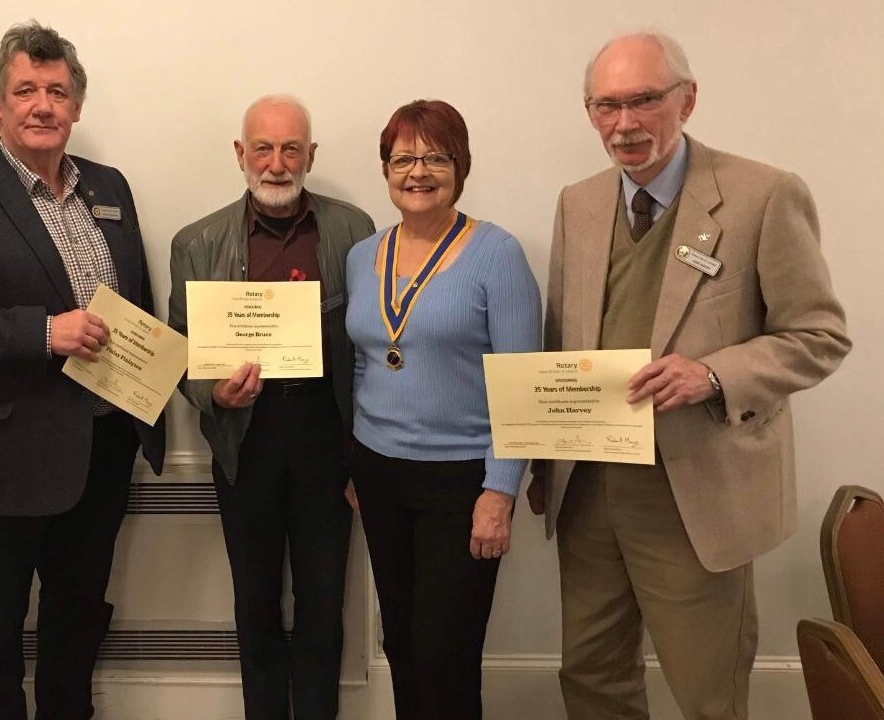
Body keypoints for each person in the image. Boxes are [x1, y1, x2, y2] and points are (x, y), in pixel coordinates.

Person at [528, 32, 851, 720]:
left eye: (644, 100)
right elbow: (564, 341)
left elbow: (819, 336)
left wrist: (712, 374)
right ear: (590, 113)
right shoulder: (577, 204)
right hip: (589, 488)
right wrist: (540, 459)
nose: (625, 123)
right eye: (606, 105)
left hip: (694, 494)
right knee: (590, 676)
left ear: (687, 100)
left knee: (706, 689)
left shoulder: (763, 195)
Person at [0, 21, 165, 720]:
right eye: (25, 90)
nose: (42, 105)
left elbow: (138, 302)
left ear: (76, 106)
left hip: (101, 452)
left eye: (57, 91)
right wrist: (45, 332)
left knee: (76, 632)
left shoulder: (110, 189)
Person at [167, 94, 374, 720]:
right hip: (244, 437)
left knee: (321, 600)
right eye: (263, 147)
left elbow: (368, 346)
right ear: (240, 154)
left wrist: (364, 454)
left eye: (291, 149)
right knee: (253, 600)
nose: (277, 163)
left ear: (311, 155)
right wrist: (213, 392)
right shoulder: (196, 241)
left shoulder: (354, 230)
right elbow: (180, 351)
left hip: (325, 433)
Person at [346, 99, 542, 720]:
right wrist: (355, 463)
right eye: (404, 158)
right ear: (385, 170)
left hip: (461, 483)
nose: (419, 171)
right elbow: (362, 363)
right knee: (401, 640)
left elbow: (521, 384)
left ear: (461, 168)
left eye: (436, 157)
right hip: (378, 473)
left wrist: (501, 490)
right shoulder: (362, 255)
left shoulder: (497, 255)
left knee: (445, 651)